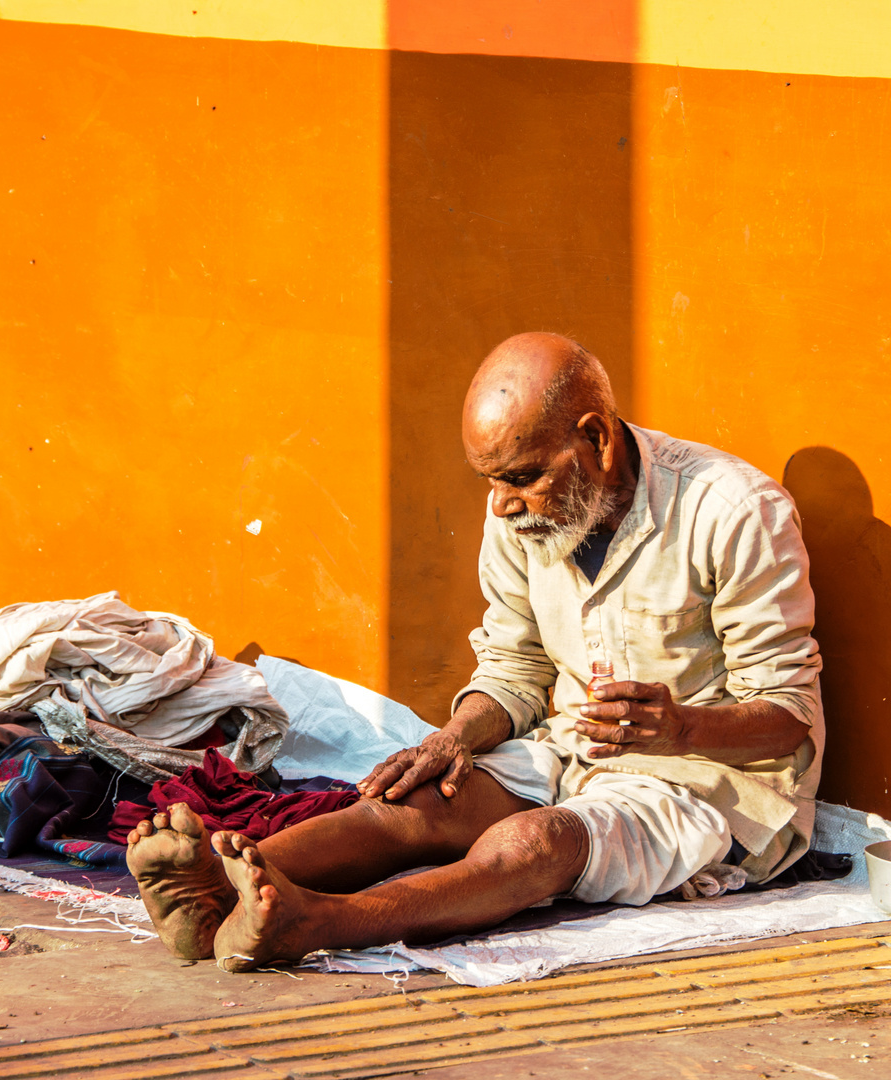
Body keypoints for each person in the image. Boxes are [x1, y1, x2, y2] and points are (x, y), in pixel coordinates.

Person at [126, 332, 823, 970]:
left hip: (709, 786)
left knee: (533, 844)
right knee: (415, 800)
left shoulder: (733, 511)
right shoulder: (519, 512)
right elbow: (516, 670)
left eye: (520, 477)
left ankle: (314, 922)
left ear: (596, 439)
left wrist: (682, 728)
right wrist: (455, 737)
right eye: (490, 480)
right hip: (575, 749)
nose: (501, 505)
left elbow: (790, 716)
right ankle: (212, 889)